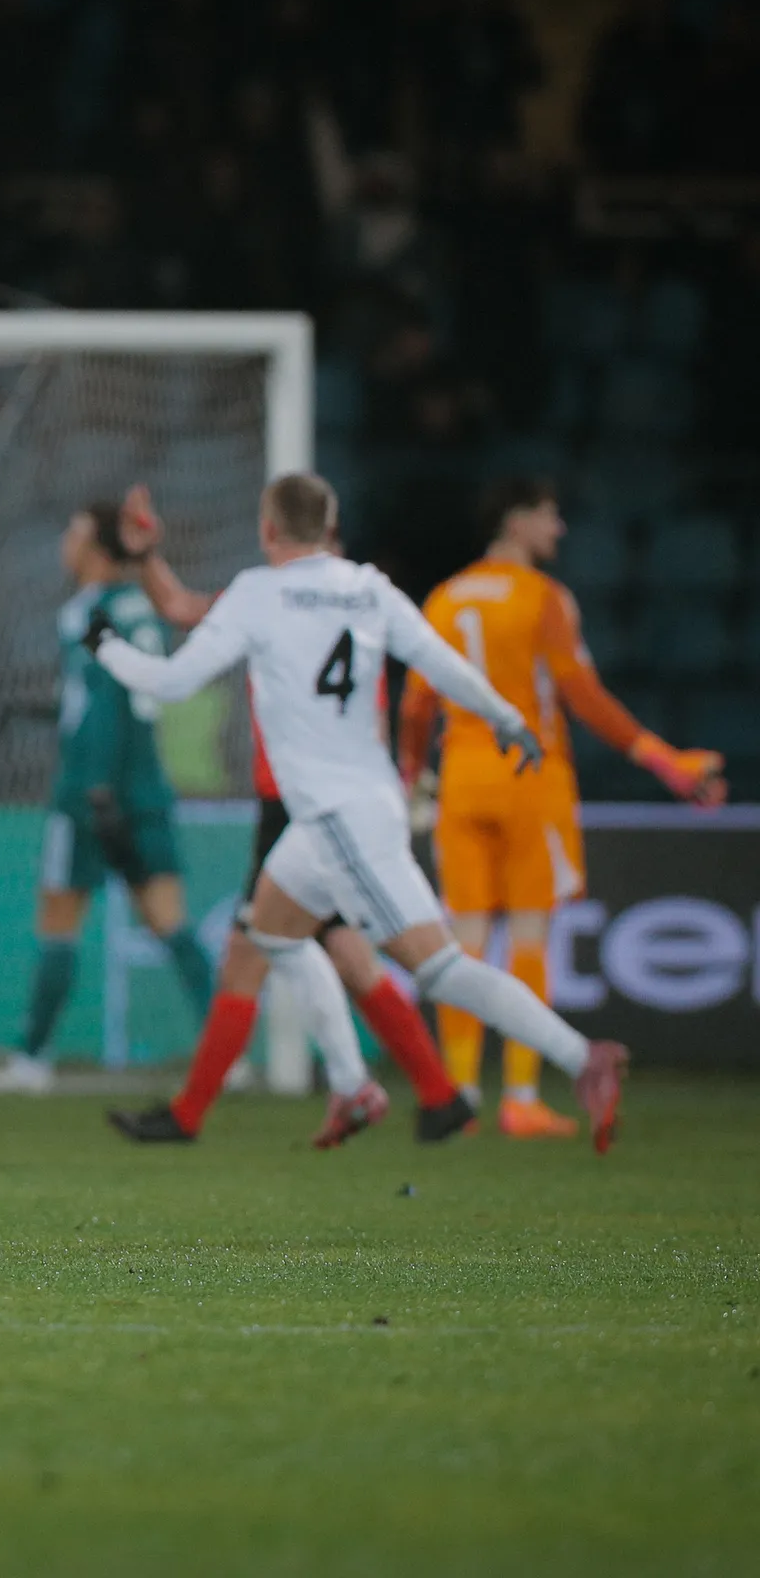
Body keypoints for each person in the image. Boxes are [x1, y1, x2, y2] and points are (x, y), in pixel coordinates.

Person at [89, 471, 628, 1155]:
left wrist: (105, 645)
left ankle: (585, 1059)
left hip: (337, 816)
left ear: (267, 530)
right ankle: (353, 1084)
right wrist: (508, 720)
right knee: (272, 934)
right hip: (343, 811)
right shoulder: (368, 587)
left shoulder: (258, 593)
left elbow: (171, 681)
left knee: (438, 968)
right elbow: (441, 663)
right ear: (331, 525)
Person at [105, 486, 472, 1148]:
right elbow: (184, 606)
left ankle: (190, 1115)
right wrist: (149, 556)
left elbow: (183, 611)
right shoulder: (342, 602)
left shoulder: (283, 600)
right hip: (331, 806)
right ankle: (433, 1095)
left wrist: (146, 561)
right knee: (349, 956)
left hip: (302, 808)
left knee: (254, 956)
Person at [398, 477, 724, 1137]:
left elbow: (414, 705)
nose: (559, 530)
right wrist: (667, 760)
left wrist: (411, 773)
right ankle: (520, 1094)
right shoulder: (544, 598)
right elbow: (583, 696)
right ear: (516, 521)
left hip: (461, 779)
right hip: (529, 777)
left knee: (460, 943)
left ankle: (459, 1097)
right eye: (549, 516)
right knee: (527, 937)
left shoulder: (443, 597)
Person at [0, 502, 214, 1096]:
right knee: (169, 921)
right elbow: (108, 696)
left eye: (74, 532)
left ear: (99, 549)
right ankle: (224, 1054)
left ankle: (32, 1060)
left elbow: (105, 700)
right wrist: (43, 710)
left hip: (91, 791)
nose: (65, 542)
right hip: (146, 785)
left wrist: (96, 788)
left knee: (59, 920)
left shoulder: (91, 611)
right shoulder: (138, 607)